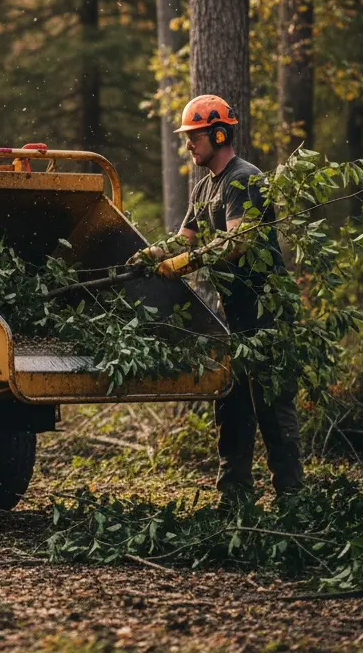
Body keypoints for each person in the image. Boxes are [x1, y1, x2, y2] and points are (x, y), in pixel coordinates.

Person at [132, 94, 303, 503]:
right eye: (187, 137)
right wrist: (151, 254)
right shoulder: (204, 187)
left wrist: (183, 264)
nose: (189, 144)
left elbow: (237, 242)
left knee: (272, 406)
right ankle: (235, 496)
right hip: (234, 314)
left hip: (266, 308)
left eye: (195, 136)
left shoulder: (245, 179)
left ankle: (292, 498)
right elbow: (185, 238)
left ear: (220, 134)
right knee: (231, 402)